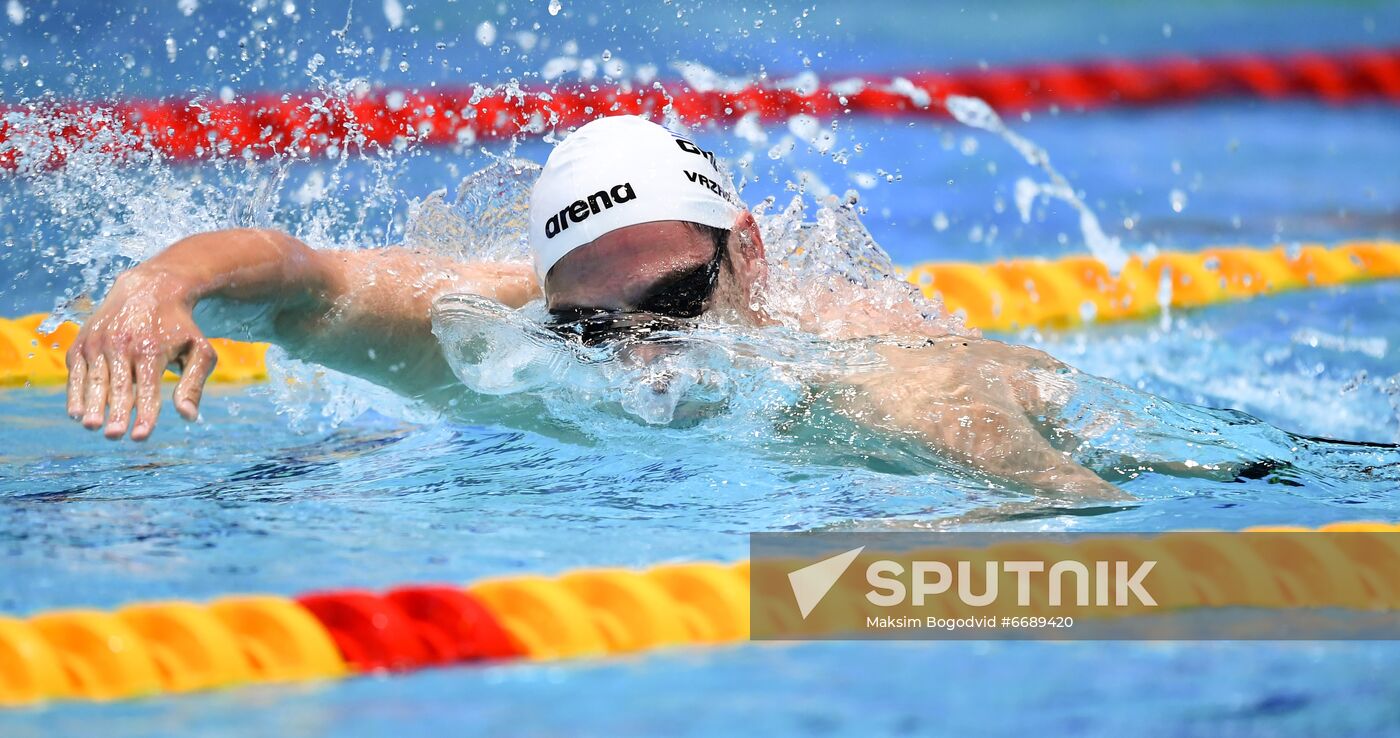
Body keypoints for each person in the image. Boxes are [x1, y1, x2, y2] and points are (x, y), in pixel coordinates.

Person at [65, 115, 1172, 500]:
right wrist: (157, 286)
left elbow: (1091, 528)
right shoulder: (490, 334)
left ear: (749, 253)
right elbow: (303, 278)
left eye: (678, 300)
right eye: (589, 326)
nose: (642, 357)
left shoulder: (880, 384)